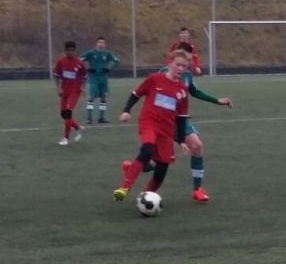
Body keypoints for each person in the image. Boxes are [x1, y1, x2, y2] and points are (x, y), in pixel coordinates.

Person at [145, 44, 233, 202]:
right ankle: (134, 171)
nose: (186, 61)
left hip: (180, 120)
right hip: (163, 121)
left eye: (189, 58)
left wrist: (217, 100)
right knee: (154, 162)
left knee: (197, 146)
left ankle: (197, 190)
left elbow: (194, 91)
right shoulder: (163, 73)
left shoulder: (186, 75)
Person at [113, 49, 191, 203]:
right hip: (149, 123)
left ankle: (145, 197)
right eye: (178, 65)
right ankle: (124, 188)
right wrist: (126, 110)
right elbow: (136, 94)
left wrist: (182, 140)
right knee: (147, 149)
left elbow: (181, 118)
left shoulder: (183, 90)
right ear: (170, 63)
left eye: (184, 66)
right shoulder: (154, 79)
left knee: (161, 172)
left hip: (166, 131)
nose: (181, 68)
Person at [53, 41, 87, 146]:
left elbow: (85, 76)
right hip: (64, 91)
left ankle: (65, 138)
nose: (70, 52)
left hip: (74, 92)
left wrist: (83, 87)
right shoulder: (60, 61)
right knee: (63, 115)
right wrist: (58, 88)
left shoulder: (79, 63)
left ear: (75, 51)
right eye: (68, 50)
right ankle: (77, 127)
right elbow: (56, 76)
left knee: (68, 113)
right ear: (65, 51)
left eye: (72, 50)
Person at [80, 36, 120, 125]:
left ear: (105, 44)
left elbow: (117, 62)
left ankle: (101, 118)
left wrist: (109, 69)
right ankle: (89, 118)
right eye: (99, 42)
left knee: (103, 97)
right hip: (93, 78)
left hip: (103, 78)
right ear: (96, 44)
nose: (101, 44)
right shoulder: (90, 53)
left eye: (103, 42)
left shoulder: (108, 54)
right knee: (91, 97)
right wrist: (87, 68)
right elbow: (79, 61)